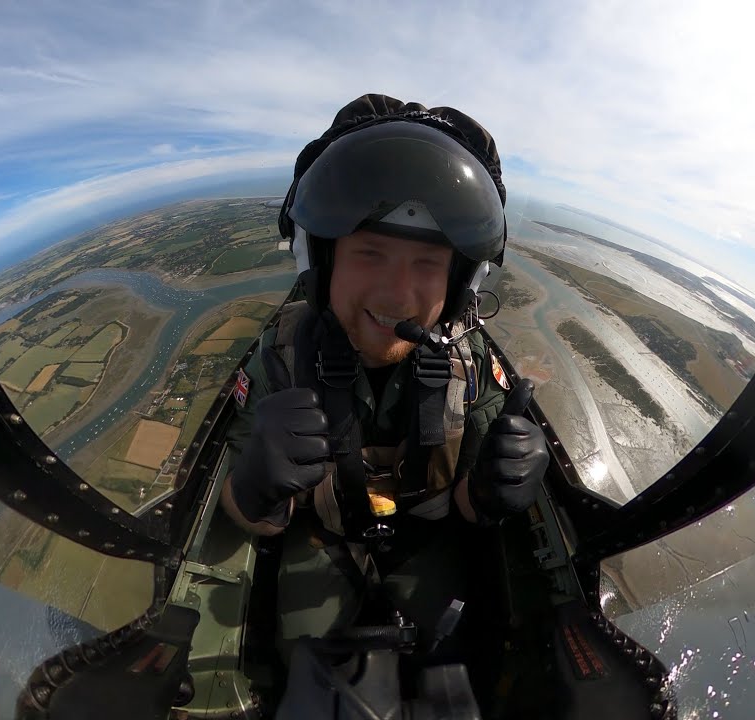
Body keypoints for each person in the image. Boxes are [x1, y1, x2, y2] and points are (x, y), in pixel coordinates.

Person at [219, 93, 550, 653]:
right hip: (322, 541)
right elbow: (254, 519)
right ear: (321, 264)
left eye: (428, 264)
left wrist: (495, 492)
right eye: (370, 253)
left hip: (430, 543)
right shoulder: (281, 359)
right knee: (299, 662)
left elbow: (467, 503)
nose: (399, 296)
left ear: (459, 284)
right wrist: (254, 489)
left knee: (462, 656)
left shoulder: (468, 371)